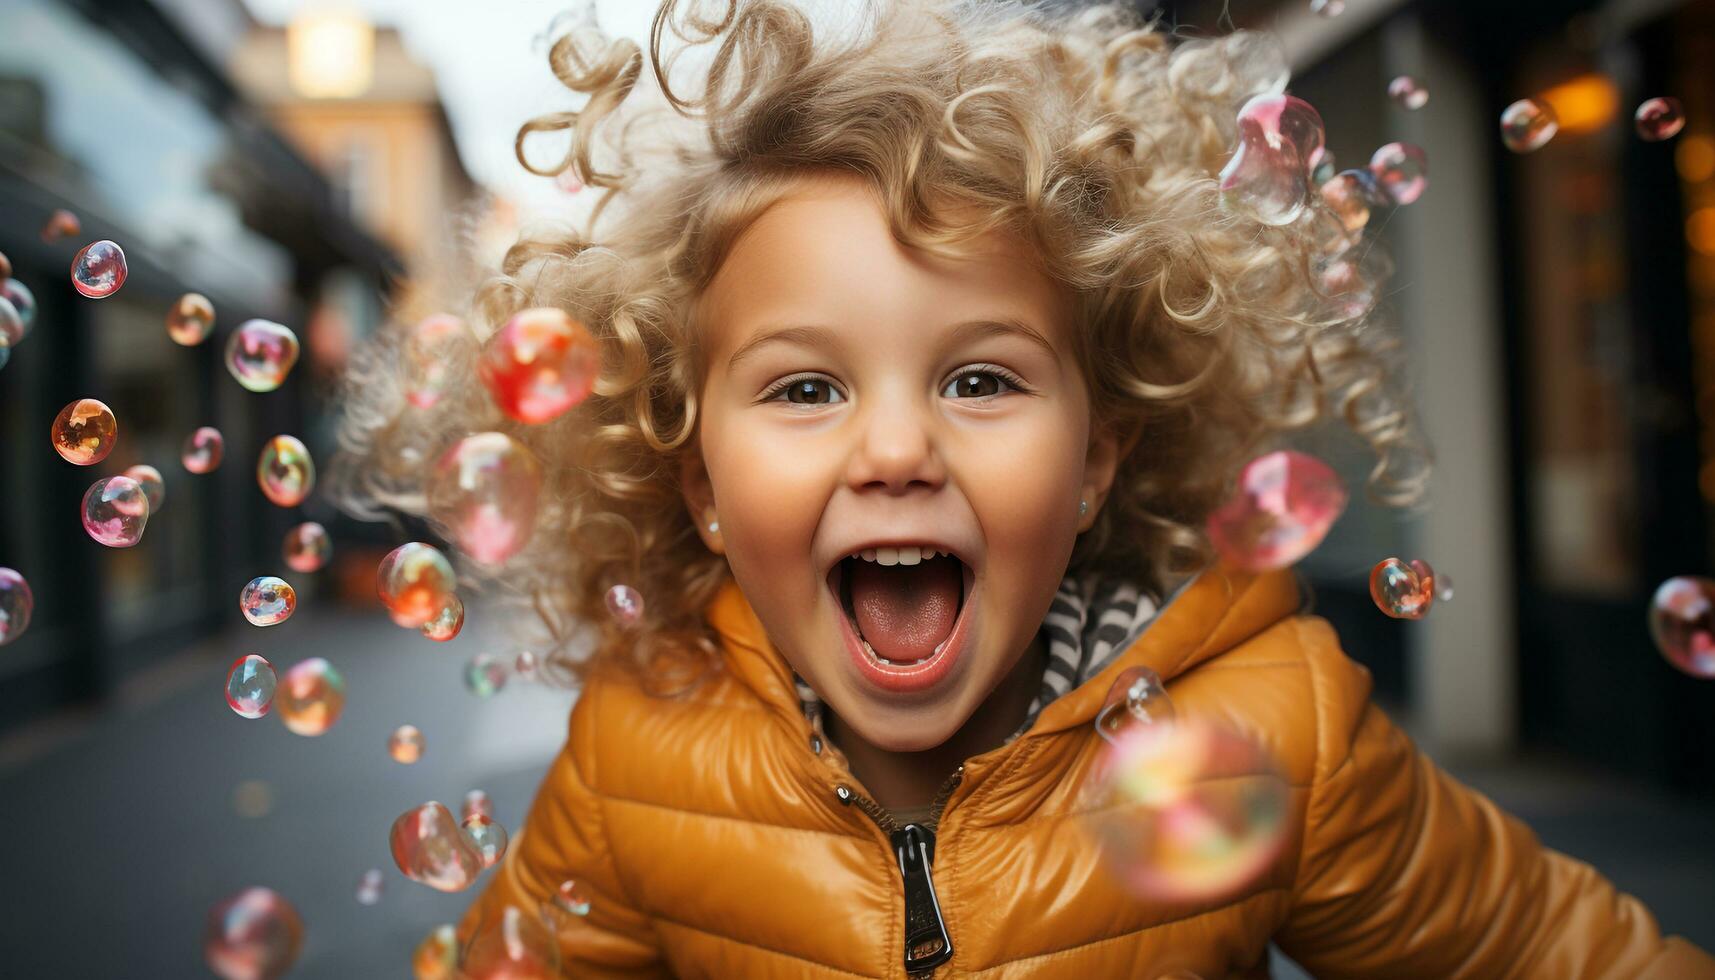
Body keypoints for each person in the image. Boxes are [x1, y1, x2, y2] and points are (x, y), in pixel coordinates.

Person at [337, 0, 1715, 975]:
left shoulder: (1275, 733)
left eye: (981, 380)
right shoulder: (638, 757)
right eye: (806, 388)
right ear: (696, 483)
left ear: (1101, 452)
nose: (894, 452)